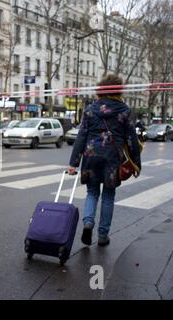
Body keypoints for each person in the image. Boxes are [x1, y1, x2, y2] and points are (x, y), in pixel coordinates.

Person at [68, 75, 141, 247]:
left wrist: (73, 163)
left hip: (91, 156)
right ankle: (102, 235)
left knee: (92, 193)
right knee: (108, 196)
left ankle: (88, 223)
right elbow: (131, 139)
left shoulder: (90, 109)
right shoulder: (124, 110)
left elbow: (81, 137)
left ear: (100, 90)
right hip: (112, 158)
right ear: (119, 90)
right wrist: (136, 163)